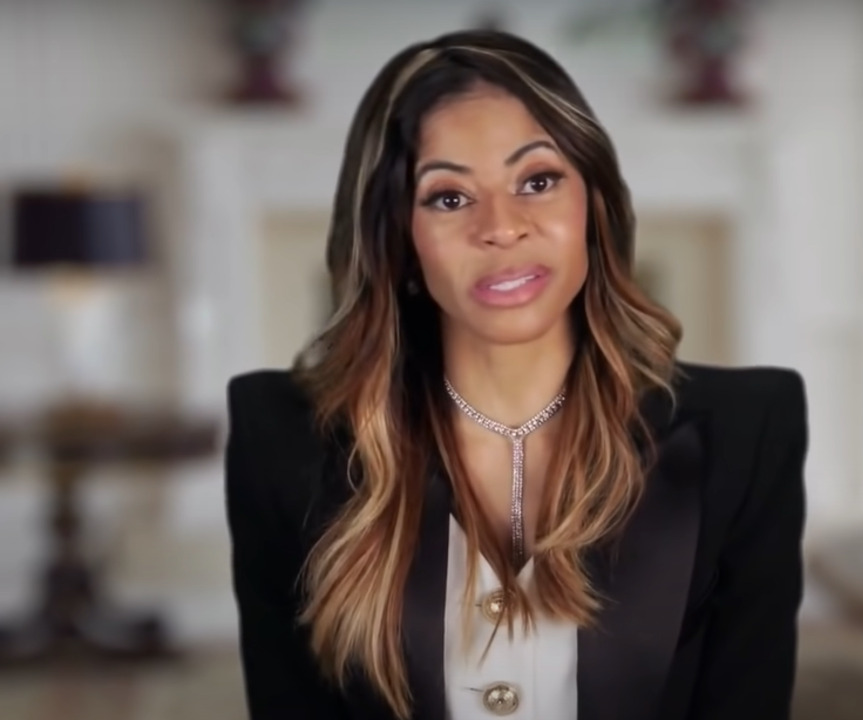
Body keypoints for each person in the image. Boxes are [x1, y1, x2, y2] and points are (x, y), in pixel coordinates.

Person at [225, 28, 808, 720]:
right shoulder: (280, 439)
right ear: (399, 241)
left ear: (591, 205)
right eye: (447, 197)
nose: (501, 227)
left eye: (537, 180)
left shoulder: (750, 432)